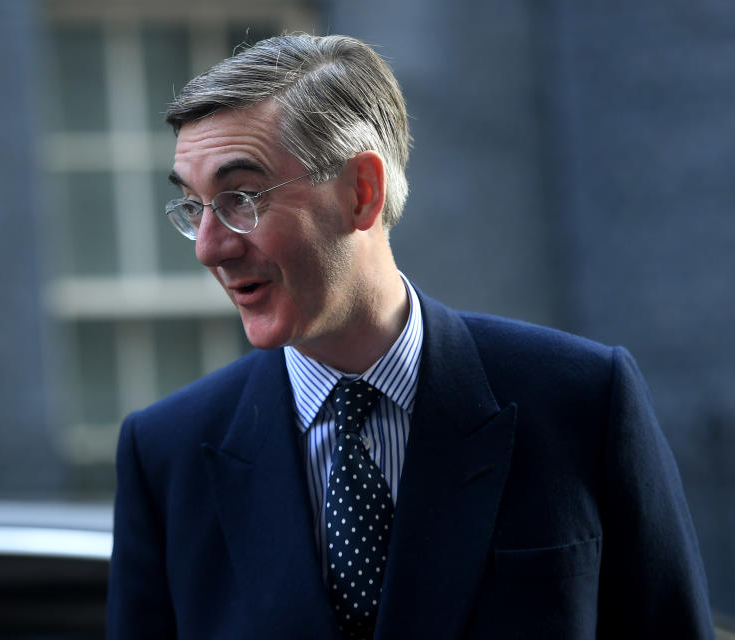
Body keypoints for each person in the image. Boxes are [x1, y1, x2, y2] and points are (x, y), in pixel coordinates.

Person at [106, 34, 713, 639]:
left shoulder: (582, 401)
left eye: (240, 198)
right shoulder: (166, 453)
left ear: (361, 192)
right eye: (194, 206)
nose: (210, 247)